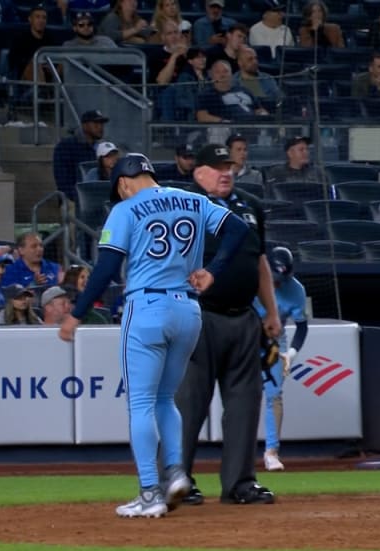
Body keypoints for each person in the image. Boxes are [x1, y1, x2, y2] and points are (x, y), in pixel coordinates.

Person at [58, 152, 247, 516]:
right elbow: (239, 230)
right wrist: (213, 270)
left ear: (124, 182)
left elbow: (107, 268)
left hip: (147, 307)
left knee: (141, 403)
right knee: (165, 399)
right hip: (189, 310)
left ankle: (149, 492)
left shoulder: (125, 210)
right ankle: (175, 473)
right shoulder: (193, 200)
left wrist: (76, 314)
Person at [176, 143, 281, 507]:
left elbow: (260, 262)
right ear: (198, 172)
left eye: (229, 165)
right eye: (216, 166)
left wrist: (271, 312)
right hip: (197, 316)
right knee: (189, 403)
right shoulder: (183, 206)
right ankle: (176, 480)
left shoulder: (249, 206)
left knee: (245, 403)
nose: (226, 172)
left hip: (243, 316)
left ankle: (239, 483)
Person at [253, 246, 308, 472]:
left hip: (275, 339)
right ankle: (239, 451)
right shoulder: (252, 280)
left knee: (274, 395)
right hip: (245, 335)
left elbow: (302, 328)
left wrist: (290, 353)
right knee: (242, 393)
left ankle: (271, 452)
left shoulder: (295, 290)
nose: (276, 283)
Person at [53, 109, 108, 202]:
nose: (100, 127)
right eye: (96, 123)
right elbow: (62, 178)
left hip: (100, 199)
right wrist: (79, 198)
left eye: (102, 124)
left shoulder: (101, 148)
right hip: (74, 200)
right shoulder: (66, 146)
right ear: (84, 125)